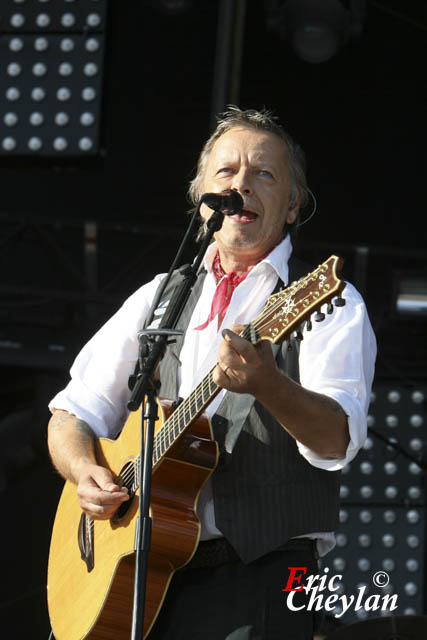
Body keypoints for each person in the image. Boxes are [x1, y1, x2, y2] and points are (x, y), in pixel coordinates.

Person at [47, 106, 376, 639]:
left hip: (264, 571)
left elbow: (337, 440)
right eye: (226, 173)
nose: (241, 183)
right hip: (142, 571)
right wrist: (84, 470)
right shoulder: (160, 296)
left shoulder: (332, 304)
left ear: (292, 206)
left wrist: (269, 385)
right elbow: (71, 411)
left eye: (263, 174)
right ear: (201, 198)